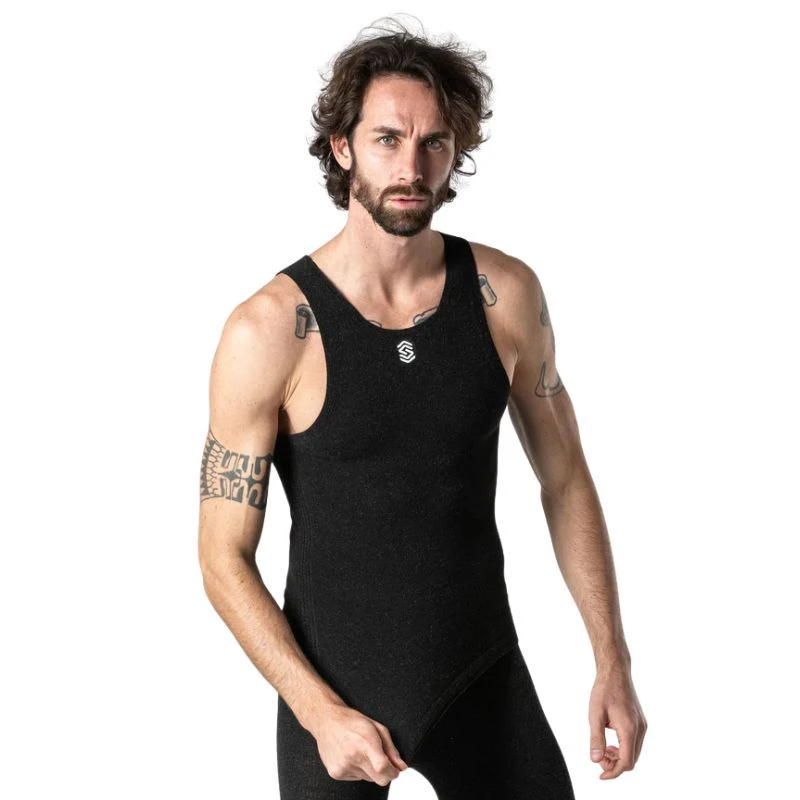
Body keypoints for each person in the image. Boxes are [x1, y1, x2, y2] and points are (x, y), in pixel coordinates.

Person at [198, 17, 646, 799]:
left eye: (434, 142)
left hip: (480, 674)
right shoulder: (267, 331)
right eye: (387, 139)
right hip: (334, 697)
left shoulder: (504, 295)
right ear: (343, 147)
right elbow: (221, 557)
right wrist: (317, 712)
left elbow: (566, 478)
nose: (412, 167)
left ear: (455, 151)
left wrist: (612, 659)